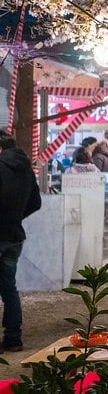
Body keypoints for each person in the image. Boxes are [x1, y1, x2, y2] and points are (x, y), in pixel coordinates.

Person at [0, 131, 41, 351]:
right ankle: (13, 337)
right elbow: (36, 201)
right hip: (14, 236)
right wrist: (15, 217)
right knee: (9, 289)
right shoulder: (26, 168)